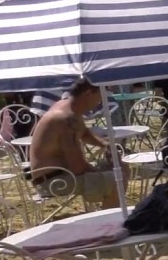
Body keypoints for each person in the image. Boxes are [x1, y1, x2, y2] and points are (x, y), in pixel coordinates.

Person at [28, 77, 119, 208]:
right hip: (52, 181)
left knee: (119, 168)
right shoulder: (65, 119)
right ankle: (108, 224)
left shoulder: (68, 107)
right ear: (88, 94)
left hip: (62, 173)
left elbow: (84, 133)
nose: (100, 102)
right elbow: (78, 167)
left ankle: (111, 213)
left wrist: (106, 145)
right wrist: (102, 173)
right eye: (100, 97)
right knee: (115, 180)